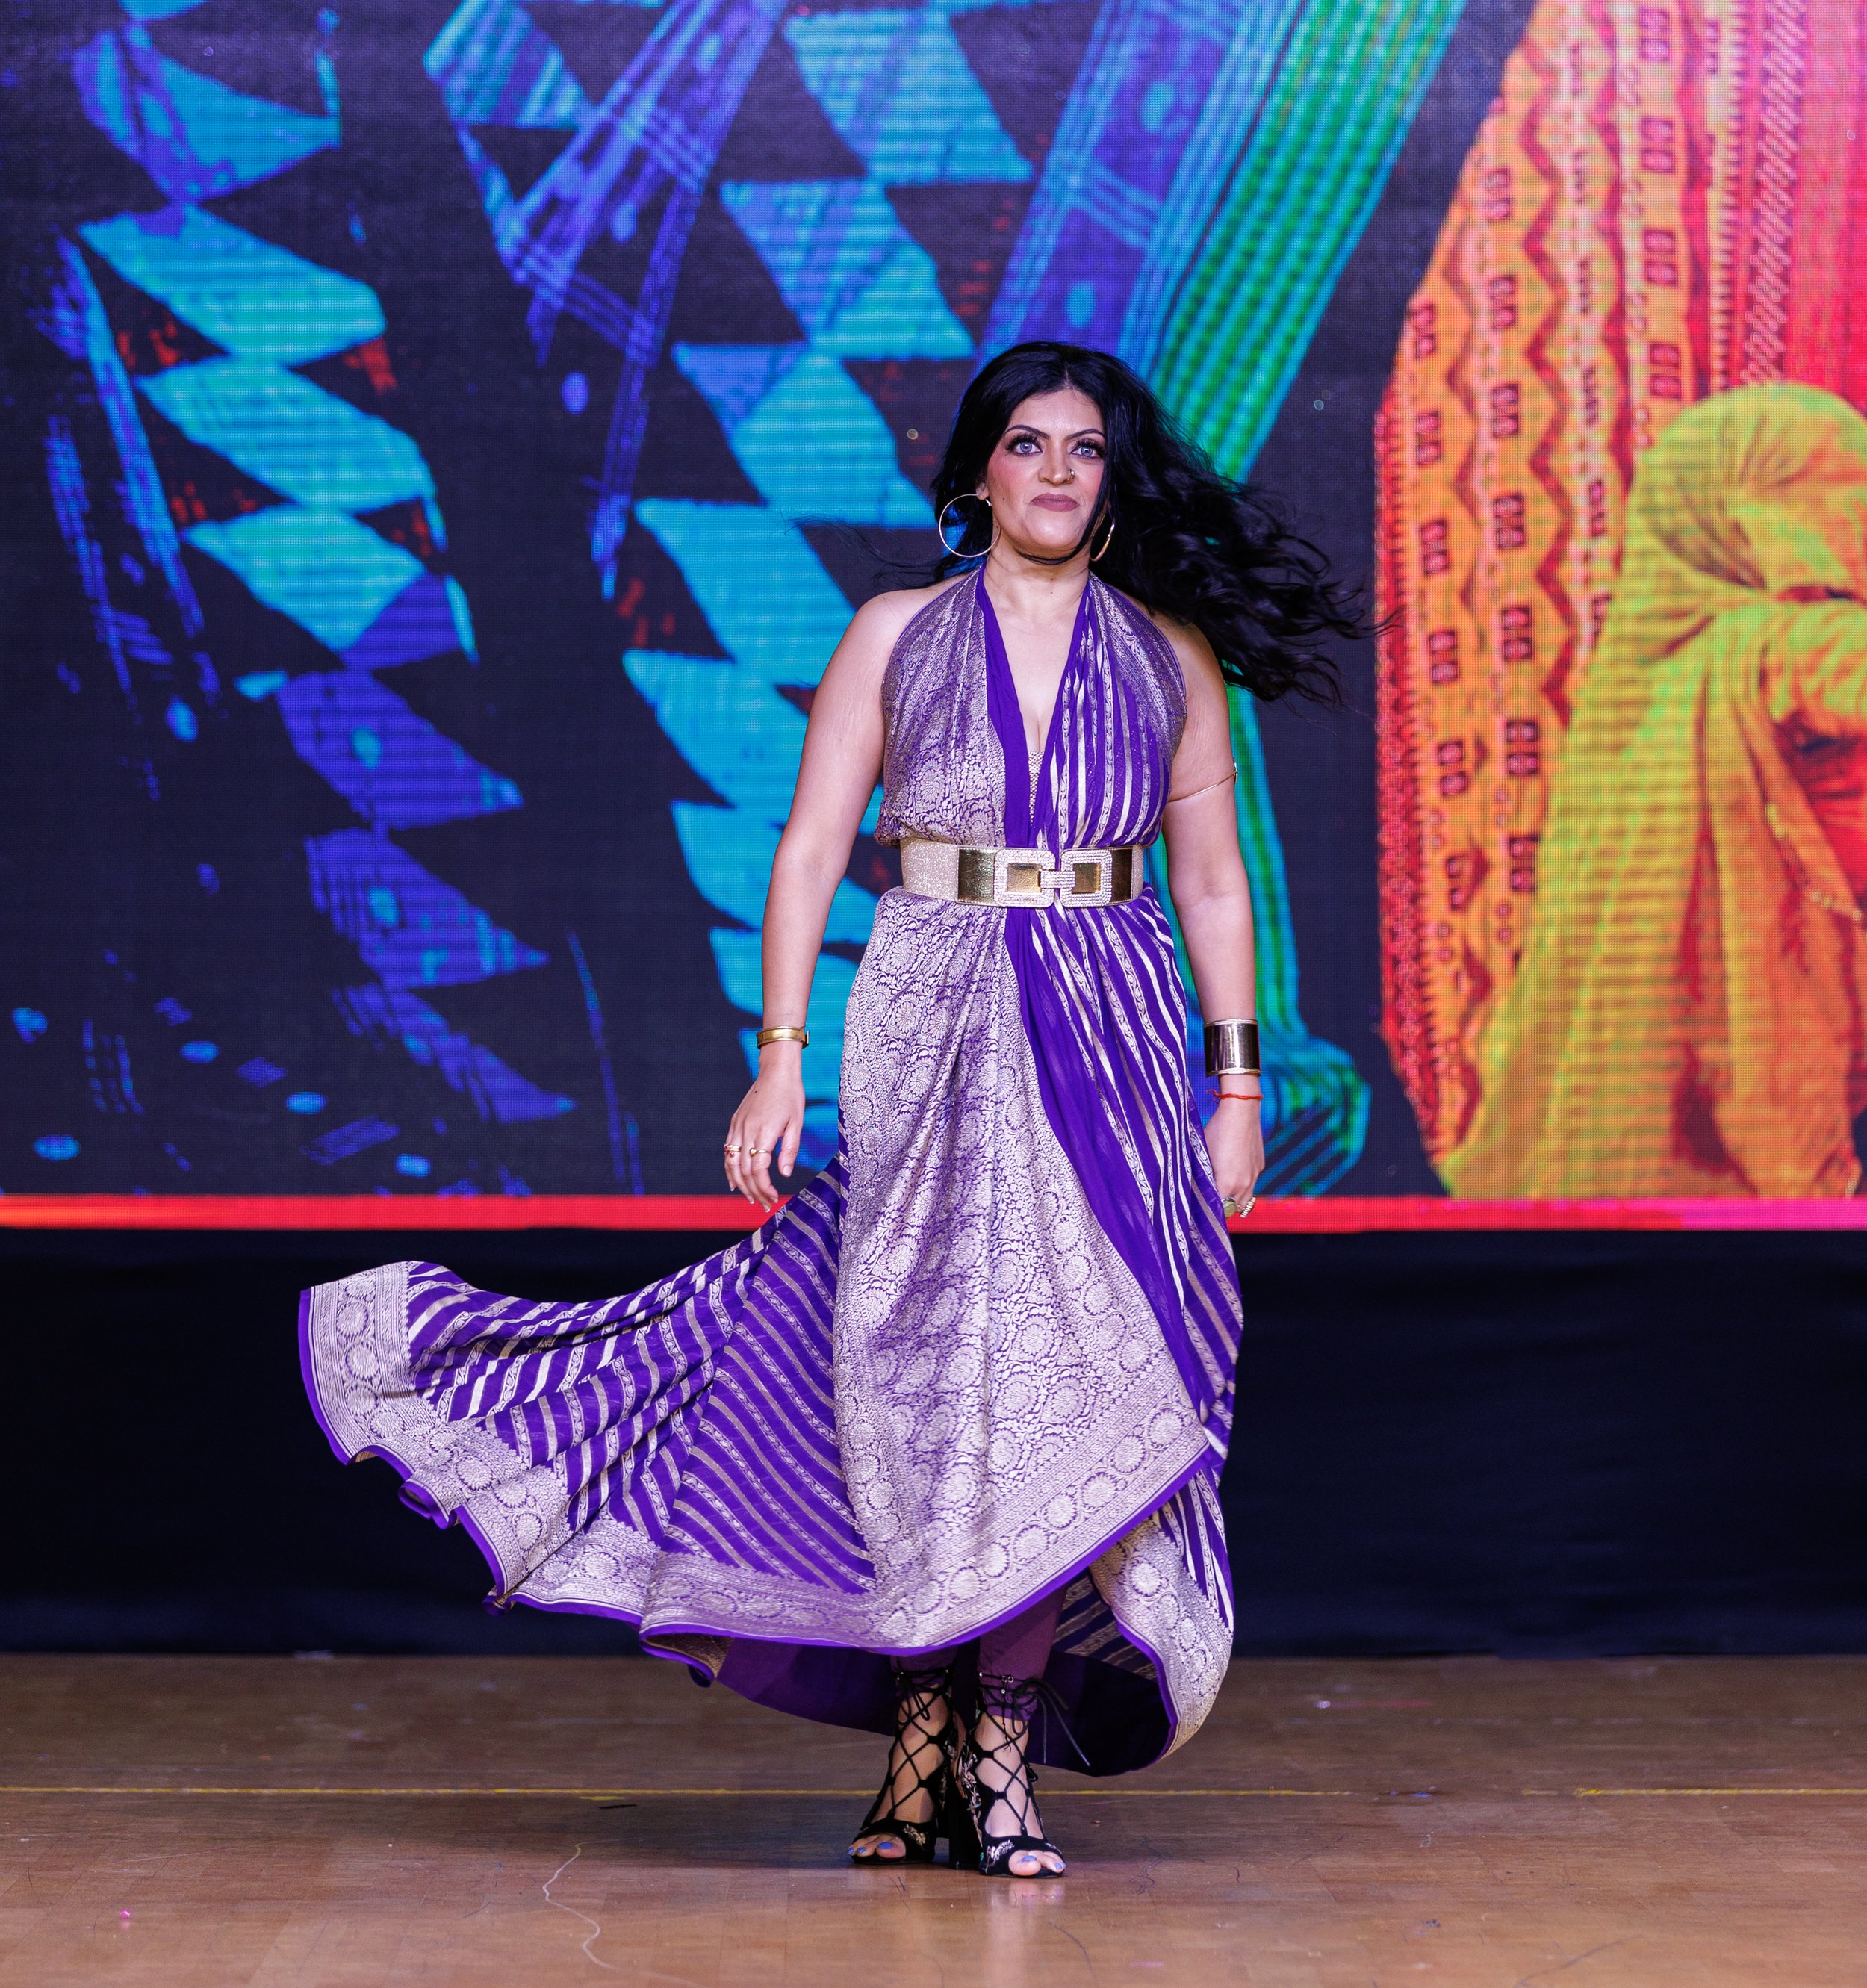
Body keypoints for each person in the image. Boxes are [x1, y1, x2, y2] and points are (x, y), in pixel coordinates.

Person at [301, 342, 1361, 1874]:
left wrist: (1238, 1084)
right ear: (974, 474)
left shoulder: (1166, 658)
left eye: (1082, 450)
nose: (1055, 471)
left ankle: (982, 1752)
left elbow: (1209, 883)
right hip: (931, 1005)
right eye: (1025, 445)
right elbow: (808, 850)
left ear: (1110, 482)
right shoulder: (894, 636)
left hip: (1112, 1023)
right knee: (924, 1383)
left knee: (1056, 1383)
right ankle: (934, 1737)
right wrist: (779, 1053)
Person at [1442, 384, 1867, 1202]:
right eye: (1834, 486)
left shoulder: (1633, 688)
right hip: (1771, 1066)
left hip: (1637, 1100)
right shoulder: (1778, 647)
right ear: (1745, 509)